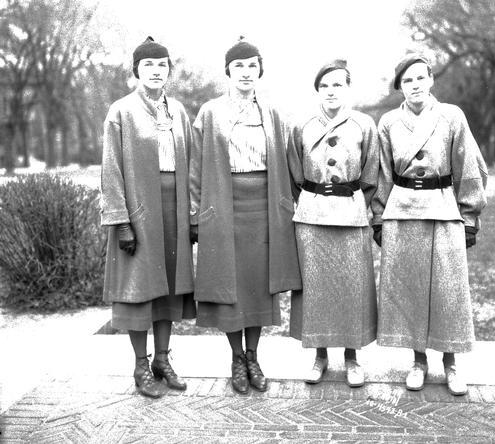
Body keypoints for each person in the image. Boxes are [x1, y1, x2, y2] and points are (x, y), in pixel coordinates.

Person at [189, 37, 301, 395]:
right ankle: (236, 357)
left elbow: (291, 163)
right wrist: (195, 213)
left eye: (252, 65)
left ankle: (254, 356)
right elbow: (195, 167)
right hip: (223, 207)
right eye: (239, 66)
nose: (246, 72)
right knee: (230, 287)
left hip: (265, 208)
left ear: (260, 71)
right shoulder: (210, 112)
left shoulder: (273, 113)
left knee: (257, 288)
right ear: (227, 71)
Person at [372, 52, 487, 395]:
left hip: (443, 207)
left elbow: (469, 167)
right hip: (402, 210)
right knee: (411, 288)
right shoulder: (388, 122)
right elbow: (381, 174)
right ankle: (418, 361)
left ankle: (450, 363)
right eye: (407, 80)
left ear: (431, 80)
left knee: (448, 290)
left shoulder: (451, 116)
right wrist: (379, 217)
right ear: (400, 88)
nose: (415, 85)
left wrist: (469, 217)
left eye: (420, 77)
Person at [101, 37, 196, 398]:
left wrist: (191, 213)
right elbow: (110, 170)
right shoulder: (120, 111)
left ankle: (162, 359)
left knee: (168, 285)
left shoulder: (180, 112)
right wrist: (122, 221)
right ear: (136, 71)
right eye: (148, 66)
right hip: (139, 210)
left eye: (162, 66)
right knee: (140, 288)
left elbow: (193, 166)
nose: (156, 72)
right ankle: (141, 365)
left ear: (169, 71)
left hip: (174, 209)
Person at [287, 60, 379, 387]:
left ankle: (352, 357)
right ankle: (320, 355)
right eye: (325, 85)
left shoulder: (364, 124)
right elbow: (294, 174)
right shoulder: (301, 125)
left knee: (352, 286)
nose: (331, 91)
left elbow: (371, 174)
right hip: (312, 215)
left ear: (348, 88)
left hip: (351, 214)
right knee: (317, 288)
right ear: (317, 90)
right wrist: (312, 200)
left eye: (337, 85)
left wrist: (354, 203)